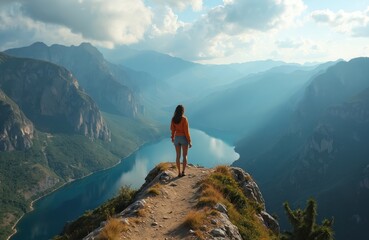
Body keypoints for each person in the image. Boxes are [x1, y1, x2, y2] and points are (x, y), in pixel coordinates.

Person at [170, 104, 192, 177]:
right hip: (183, 138)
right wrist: (189, 141)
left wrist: (173, 138)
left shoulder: (173, 119)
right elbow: (186, 131)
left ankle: (178, 172)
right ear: (182, 111)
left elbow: (173, 130)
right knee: (184, 156)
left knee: (177, 156)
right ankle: (183, 172)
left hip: (177, 138)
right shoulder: (184, 119)